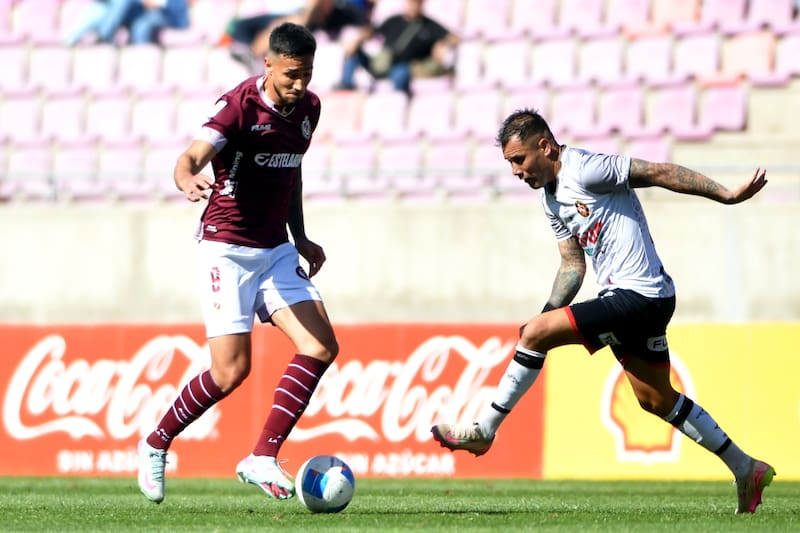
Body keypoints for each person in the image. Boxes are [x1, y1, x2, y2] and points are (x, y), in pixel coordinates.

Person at [431, 109, 775, 514]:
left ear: (544, 146)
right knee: (655, 400)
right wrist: (544, 316)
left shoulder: (586, 168)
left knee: (536, 336)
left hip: (640, 295)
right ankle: (746, 467)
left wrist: (726, 194)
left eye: (518, 159)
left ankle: (485, 429)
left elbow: (658, 172)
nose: (515, 171)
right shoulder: (551, 200)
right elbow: (572, 266)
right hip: (640, 300)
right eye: (509, 163)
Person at [137, 22, 338, 504]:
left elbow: (292, 173)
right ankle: (155, 442)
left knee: (320, 346)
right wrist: (187, 181)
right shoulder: (238, 107)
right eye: (291, 74)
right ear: (267, 64)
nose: (300, 85)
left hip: (274, 248)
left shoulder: (309, 108)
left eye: (307, 74)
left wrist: (301, 236)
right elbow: (190, 158)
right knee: (230, 372)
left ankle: (262, 457)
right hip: (226, 249)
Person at [337, 0, 458, 94]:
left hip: (401, 65)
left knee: (402, 73)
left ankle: (395, 105)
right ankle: (346, 86)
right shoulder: (394, 20)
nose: (413, 5)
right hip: (381, 62)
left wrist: (442, 44)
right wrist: (358, 40)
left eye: (417, 2)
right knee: (353, 52)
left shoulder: (429, 25)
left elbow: (454, 37)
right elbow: (373, 32)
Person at [222, 0, 371, 75]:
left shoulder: (344, 12)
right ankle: (251, 55)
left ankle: (253, 57)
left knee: (283, 26)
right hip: (296, 15)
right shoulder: (303, 15)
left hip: (300, 21)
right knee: (240, 26)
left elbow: (367, 26)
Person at [66, 0, 190, 46]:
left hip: (165, 15)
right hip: (141, 13)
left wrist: (158, 3)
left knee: (142, 26)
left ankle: (104, 36)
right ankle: (104, 36)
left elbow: (178, 7)